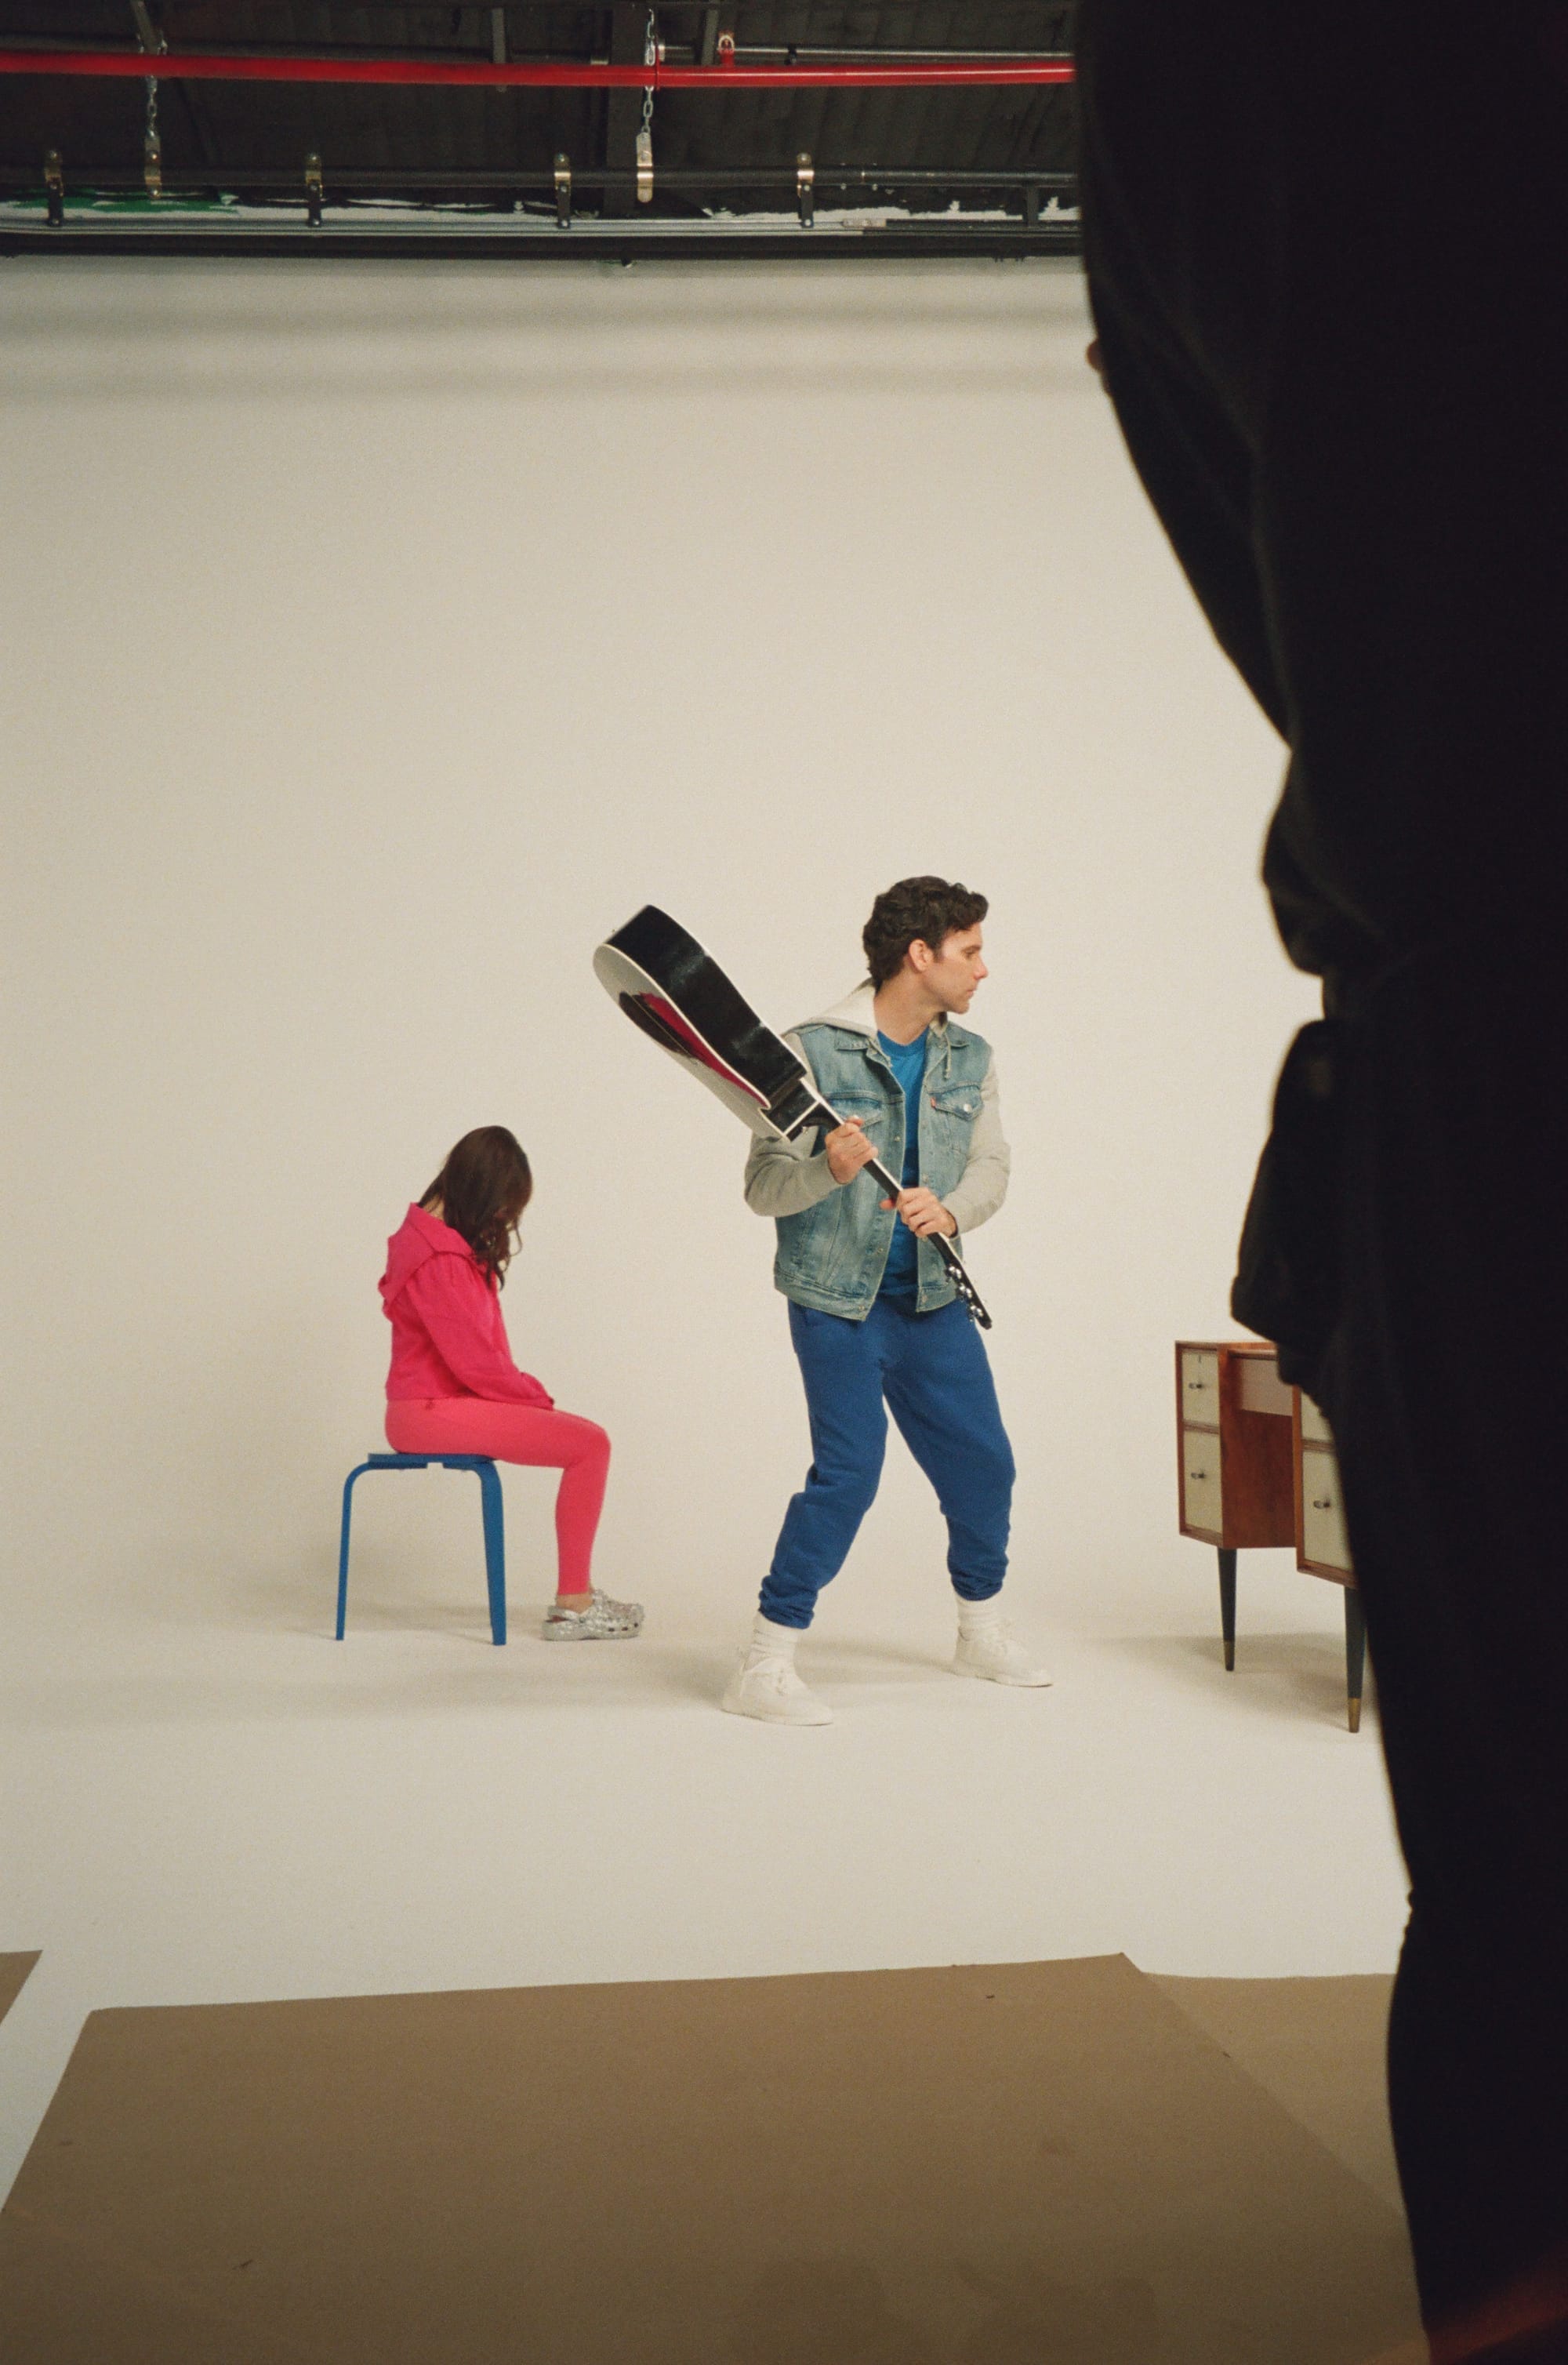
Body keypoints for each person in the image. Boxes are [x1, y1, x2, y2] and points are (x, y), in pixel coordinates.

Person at [1076, 6, 1568, 2356]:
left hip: (1459, 1021)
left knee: (1514, 1894)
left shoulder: (1185, 90)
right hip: (1468, 1034)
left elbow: (1243, 497)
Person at [723, 877, 1050, 1726]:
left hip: (932, 1298)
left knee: (984, 1466)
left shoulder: (970, 1058)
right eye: (970, 950)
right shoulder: (808, 1053)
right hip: (837, 1302)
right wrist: (825, 1170)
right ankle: (764, 1661)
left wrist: (953, 1210)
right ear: (920, 955)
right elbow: (763, 1188)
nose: (983, 968)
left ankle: (979, 1632)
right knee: (848, 1474)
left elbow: (991, 1165)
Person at [379, 1125, 641, 1640]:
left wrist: (524, 1397)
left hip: (430, 1406)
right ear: (481, 1191)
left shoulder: (433, 1241)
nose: (504, 1219)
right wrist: (532, 1396)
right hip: (431, 1411)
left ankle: (578, 1595)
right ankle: (574, 1605)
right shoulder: (438, 1257)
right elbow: (475, 1364)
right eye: (503, 1207)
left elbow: (474, 1361)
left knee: (587, 1442)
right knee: (590, 1445)